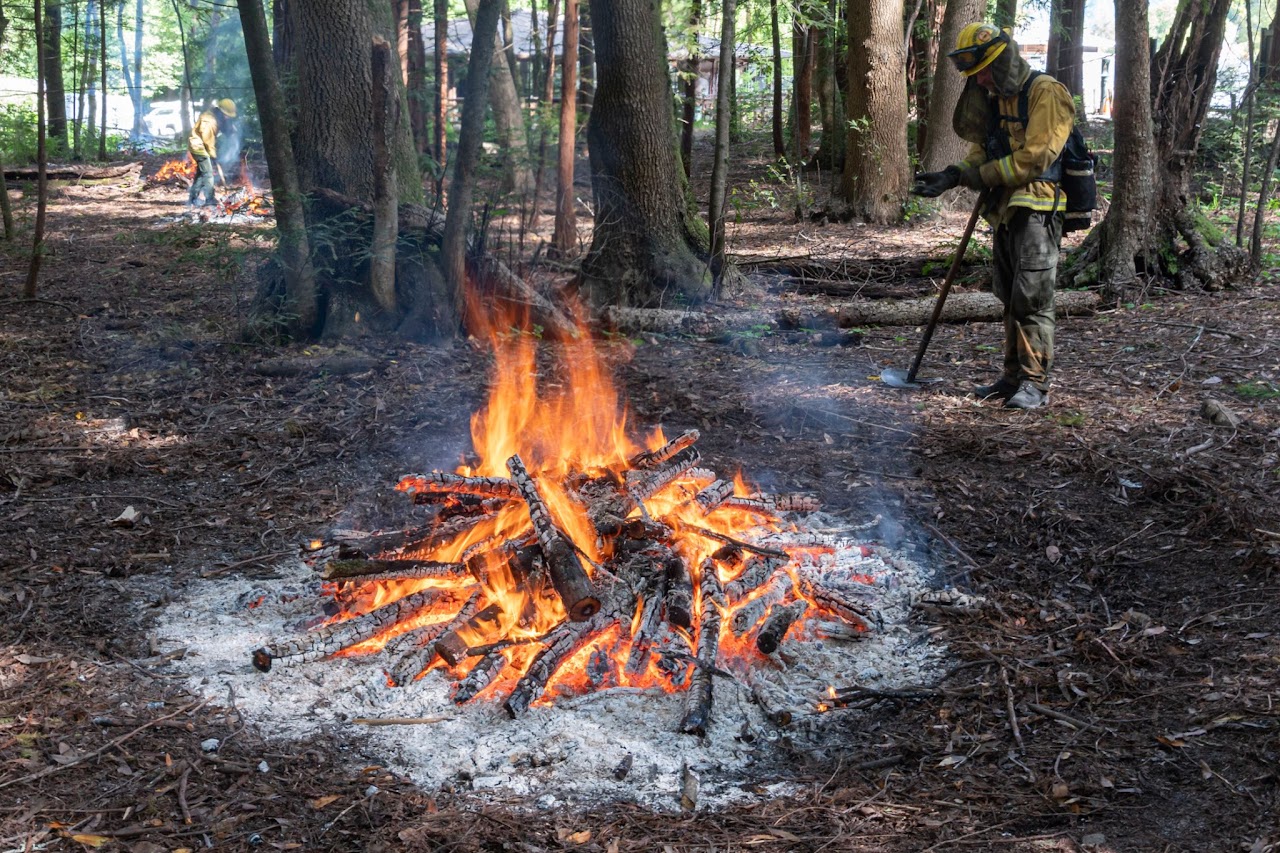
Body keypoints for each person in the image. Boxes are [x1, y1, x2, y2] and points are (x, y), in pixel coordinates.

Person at [911, 24, 1075, 410]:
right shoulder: (995, 99)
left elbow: (1035, 158)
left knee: (1032, 299)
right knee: (1009, 297)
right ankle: (1012, 378)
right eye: (976, 74)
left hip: (1038, 207)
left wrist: (979, 176)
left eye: (984, 70)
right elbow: (982, 151)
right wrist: (952, 175)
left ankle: (1035, 384)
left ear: (1002, 62)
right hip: (1005, 210)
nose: (980, 80)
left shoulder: (1045, 93)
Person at [187, 99, 237, 208]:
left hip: (202, 146)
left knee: (201, 174)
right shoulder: (209, 121)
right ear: (220, 112)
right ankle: (209, 199)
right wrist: (213, 155)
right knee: (208, 174)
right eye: (226, 115)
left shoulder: (213, 117)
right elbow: (207, 140)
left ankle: (192, 198)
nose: (227, 117)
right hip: (199, 148)